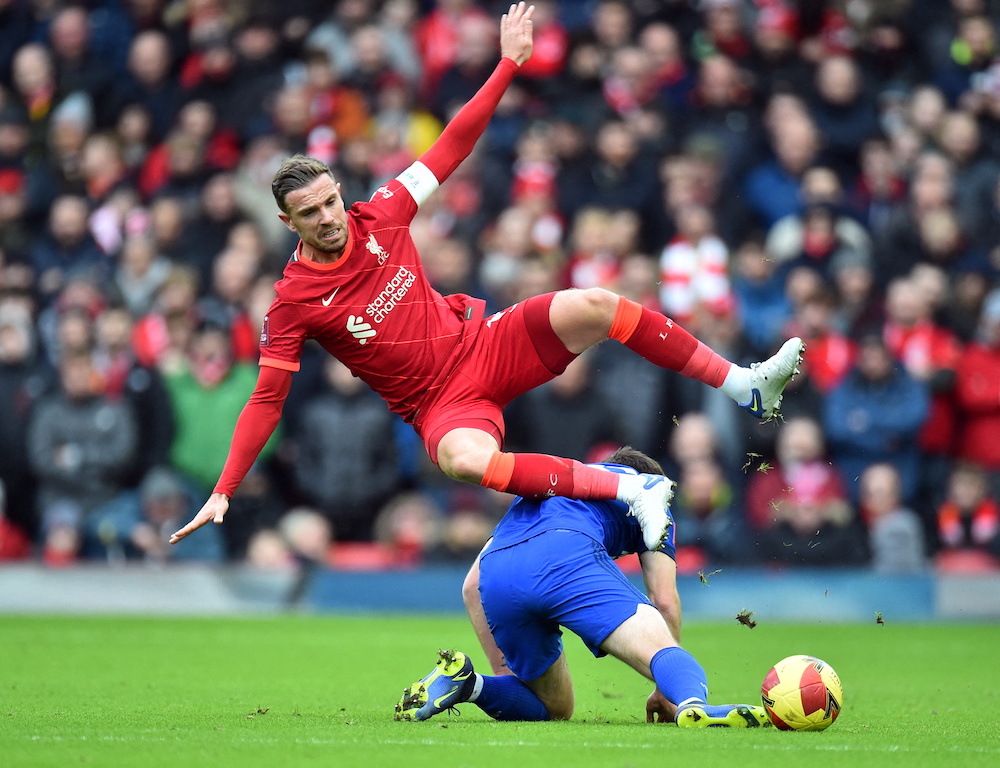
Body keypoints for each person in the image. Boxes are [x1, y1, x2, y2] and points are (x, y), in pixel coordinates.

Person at [169, 3, 803, 555]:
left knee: (595, 302)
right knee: (460, 460)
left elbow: (452, 143)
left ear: (340, 193)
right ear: (287, 222)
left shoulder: (382, 211)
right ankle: (632, 488)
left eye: (331, 201)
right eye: (311, 213)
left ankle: (744, 384)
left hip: (486, 342)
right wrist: (225, 489)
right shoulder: (292, 304)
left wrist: (507, 65)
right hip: (443, 405)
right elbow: (266, 400)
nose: (329, 218)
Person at [394, 446, 769, 728]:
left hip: (500, 571)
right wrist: (663, 684)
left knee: (555, 708)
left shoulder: (558, 475)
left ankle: (469, 684)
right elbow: (664, 600)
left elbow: (471, 585)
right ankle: (693, 705)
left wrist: (509, 676)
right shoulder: (651, 492)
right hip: (567, 555)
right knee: (661, 652)